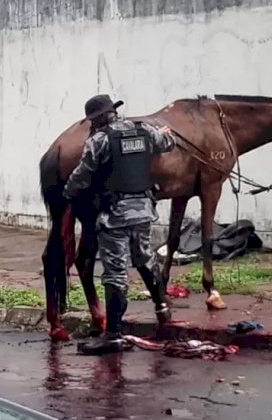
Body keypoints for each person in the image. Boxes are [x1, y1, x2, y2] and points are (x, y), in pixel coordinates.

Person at [63, 94, 176, 354]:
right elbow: (167, 143)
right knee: (145, 259)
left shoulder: (100, 140)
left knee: (115, 273)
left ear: (102, 117)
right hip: (144, 211)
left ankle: (113, 335)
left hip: (114, 216)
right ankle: (162, 307)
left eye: (93, 120)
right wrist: (165, 133)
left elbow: (83, 173)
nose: (92, 125)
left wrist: (68, 192)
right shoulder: (144, 131)